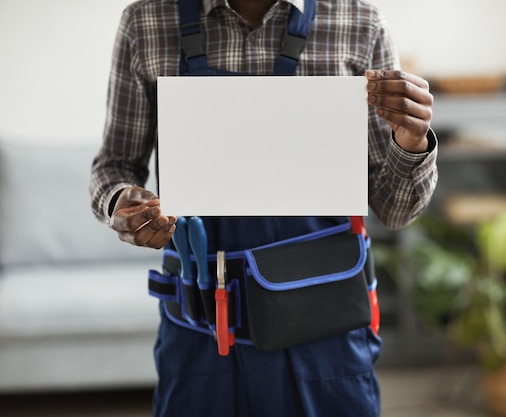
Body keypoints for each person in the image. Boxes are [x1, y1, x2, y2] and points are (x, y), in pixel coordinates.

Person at [90, 0, 438, 415]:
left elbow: (396, 212)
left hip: (324, 330)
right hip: (203, 330)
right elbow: (114, 165)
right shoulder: (146, 21)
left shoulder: (359, 21)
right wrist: (120, 202)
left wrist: (411, 143)